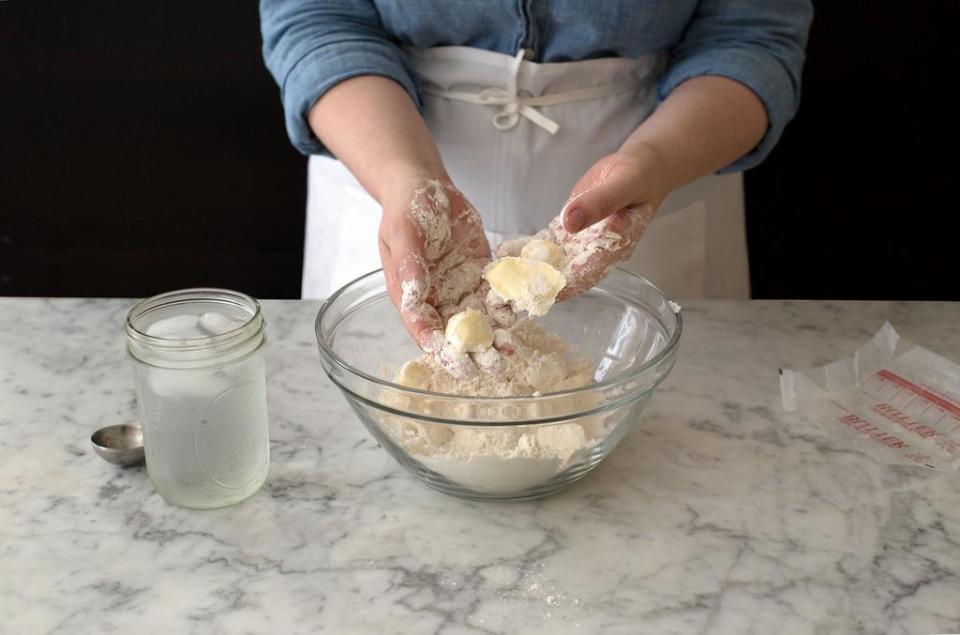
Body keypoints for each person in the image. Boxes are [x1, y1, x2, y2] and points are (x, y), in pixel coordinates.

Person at [261, 1, 812, 375]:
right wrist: (403, 177)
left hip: (665, 161)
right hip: (383, 158)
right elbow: (318, 16)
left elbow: (751, 33)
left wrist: (655, 160)